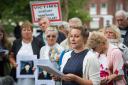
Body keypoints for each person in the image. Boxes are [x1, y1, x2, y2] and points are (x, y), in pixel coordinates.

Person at [9, 21, 41, 85]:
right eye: (24, 30)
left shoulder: (39, 42)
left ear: (32, 31)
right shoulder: (16, 42)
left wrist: (38, 66)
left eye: (29, 30)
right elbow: (11, 56)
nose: (26, 32)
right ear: (21, 32)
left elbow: (42, 57)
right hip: (17, 74)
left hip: (34, 75)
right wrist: (14, 63)